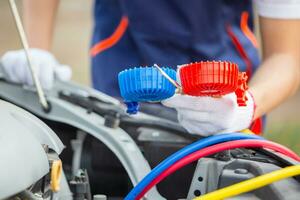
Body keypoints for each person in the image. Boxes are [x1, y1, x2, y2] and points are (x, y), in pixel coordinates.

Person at [1, 0, 299, 136]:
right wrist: (36, 47)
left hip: (223, 107)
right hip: (115, 100)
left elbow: (287, 56)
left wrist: (246, 105)